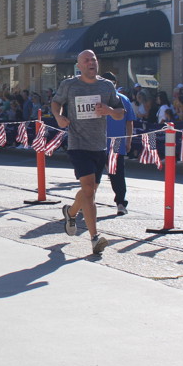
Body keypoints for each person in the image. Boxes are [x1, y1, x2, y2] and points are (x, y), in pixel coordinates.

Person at [51, 50, 125, 254]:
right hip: (78, 144)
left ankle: (71, 212)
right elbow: (56, 102)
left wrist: (109, 111)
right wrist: (58, 117)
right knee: (89, 191)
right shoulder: (69, 85)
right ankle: (94, 238)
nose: (91, 62)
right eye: (86, 60)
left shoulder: (106, 86)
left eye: (93, 59)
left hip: (99, 145)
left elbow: (120, 113)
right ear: (79, 66)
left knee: (88, 191)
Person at [101, 72, 134, 216]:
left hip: (116, 141)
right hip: (97, 141)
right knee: (93, 175)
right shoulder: (97, 99)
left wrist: (129, 140)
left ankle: (120, 202)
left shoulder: (123, 99)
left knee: (117, 174)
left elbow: (129, 121)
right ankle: (87, 202)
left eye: (111, 83)